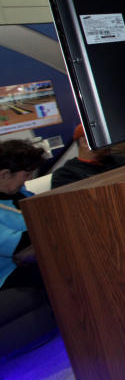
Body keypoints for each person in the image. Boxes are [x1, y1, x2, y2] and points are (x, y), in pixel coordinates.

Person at [0, 139, 57, 360]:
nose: (29, 179)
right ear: (4, 174)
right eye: (26, 174)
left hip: (31, 264)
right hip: (8, 276)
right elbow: (18, 245)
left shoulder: (20, 195)